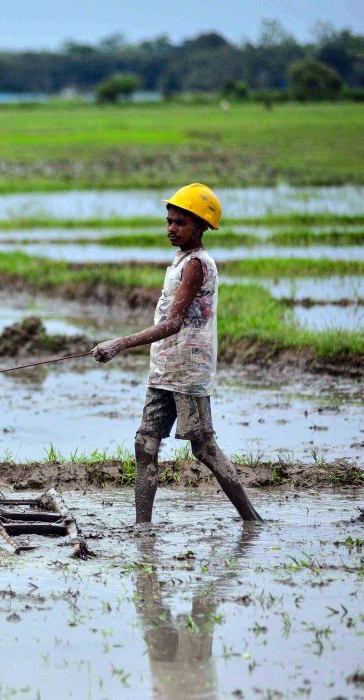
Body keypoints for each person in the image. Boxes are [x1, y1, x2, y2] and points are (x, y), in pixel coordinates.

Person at [91, 183, 262, 524]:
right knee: (145, 444)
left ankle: (252, 520)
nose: (171, 228)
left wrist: (120, 343)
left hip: (188, 369)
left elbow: (172, 323)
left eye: (180, 223)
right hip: (165, 368)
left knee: (204, 448)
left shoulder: (197, 264)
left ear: (201, 226)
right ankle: (142, 528)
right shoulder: (180, 260)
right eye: (169, 221)